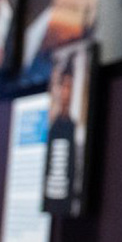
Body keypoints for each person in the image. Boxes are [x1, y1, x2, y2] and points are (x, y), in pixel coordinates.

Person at [43, 51, 82, 213]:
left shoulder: (74, 128)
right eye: (62, 86)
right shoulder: (52, 128)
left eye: (69, 86)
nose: (66, 93)